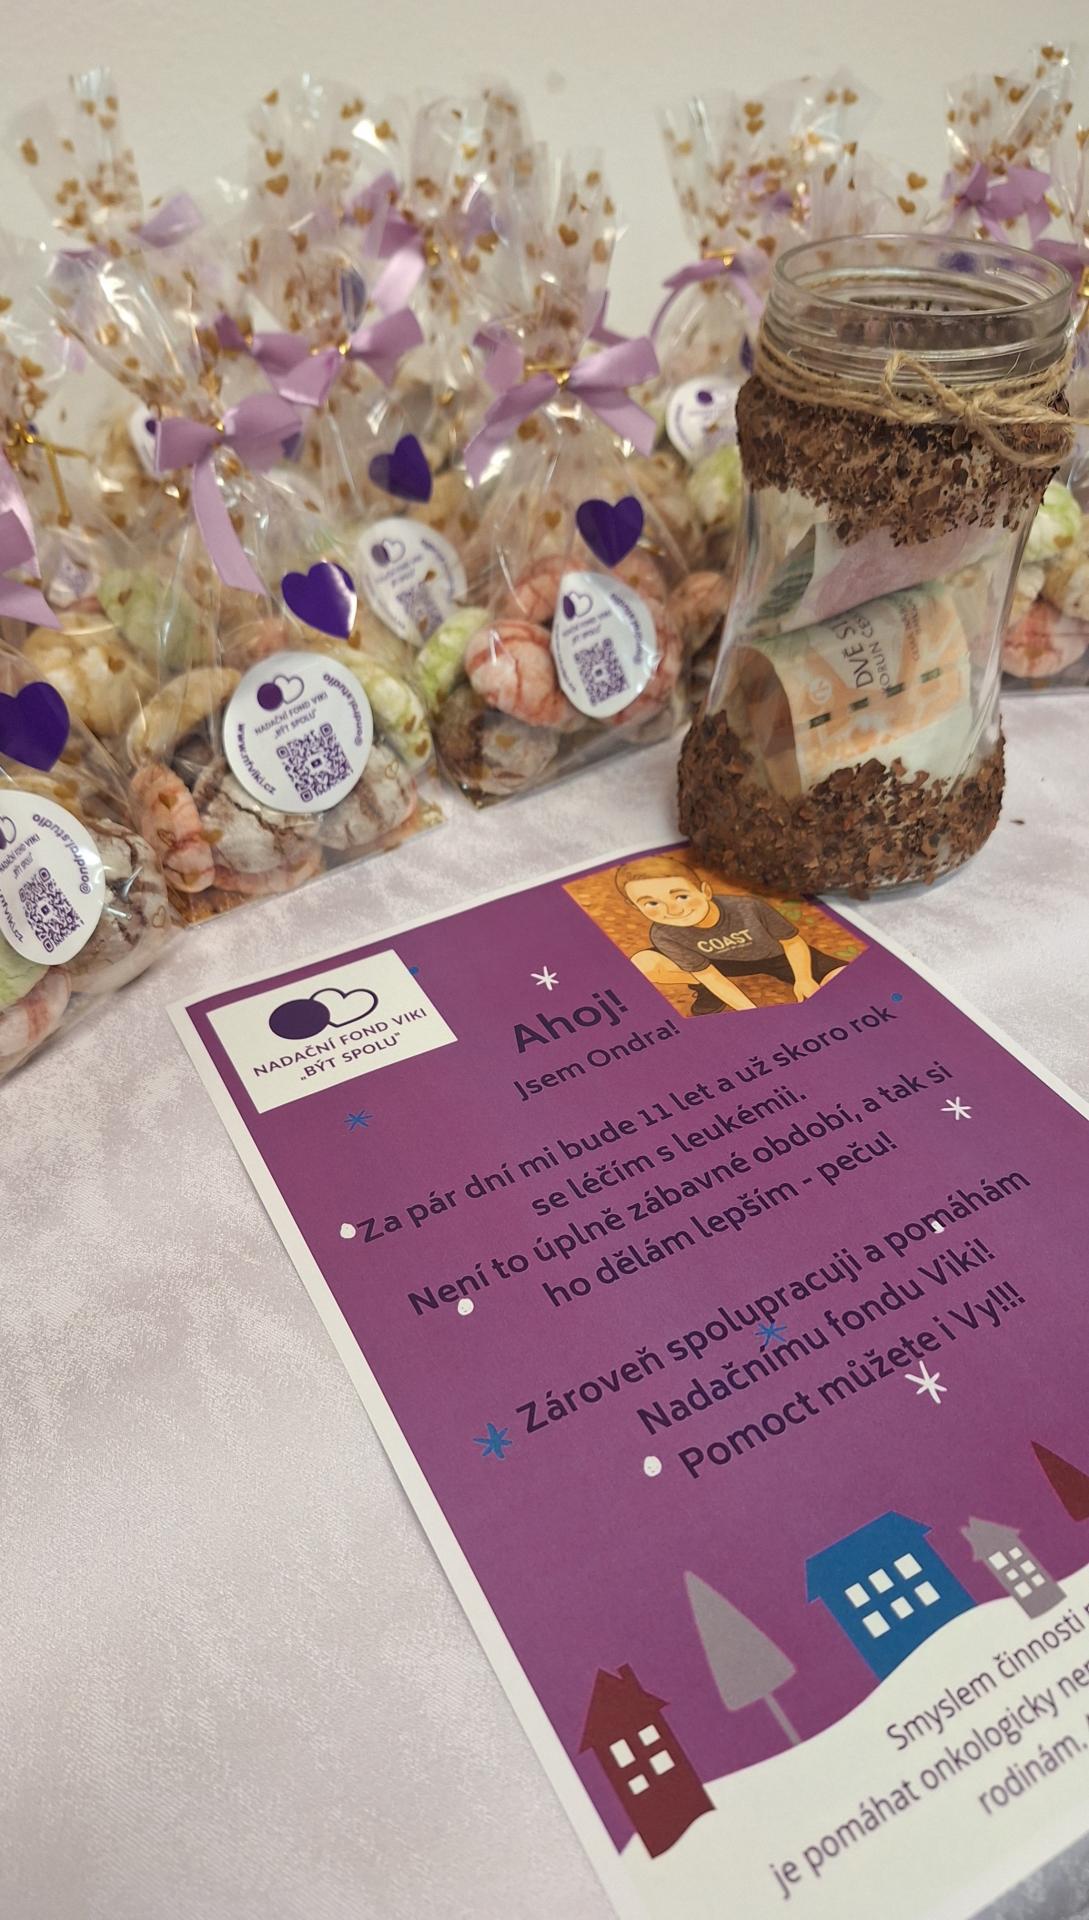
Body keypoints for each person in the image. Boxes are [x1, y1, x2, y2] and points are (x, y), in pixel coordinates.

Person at [615, 855, 846, 1013]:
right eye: (651, 903)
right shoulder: (663, 933)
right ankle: (708, 992)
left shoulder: (748, 907)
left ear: (705, 891)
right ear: (636, 907)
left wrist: (804, 978)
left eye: (681, 896)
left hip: (775, 956)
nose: (673, 910)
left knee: (842, 979)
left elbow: (792, 942)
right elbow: (708, 974)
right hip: (716, 963)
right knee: (644, 964)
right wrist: (751, 1013)